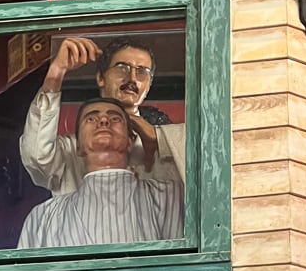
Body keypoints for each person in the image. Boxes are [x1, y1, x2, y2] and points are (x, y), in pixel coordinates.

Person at [19, 35, 185, 195]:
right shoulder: (72, 151)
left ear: (148, 85)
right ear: (100, 78)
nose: (132, 78)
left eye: (142, 72)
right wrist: (56, 72)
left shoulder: (166, 146)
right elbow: (36, 156)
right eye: (122, 68)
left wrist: (158, 138)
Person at [17, 96, 184, 249]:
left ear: (130, 142)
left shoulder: (171, 196)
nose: (104, 121)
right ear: (78, 146)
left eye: (115, 119)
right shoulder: (43, 217)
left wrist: (158, 136)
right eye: (91, 118)